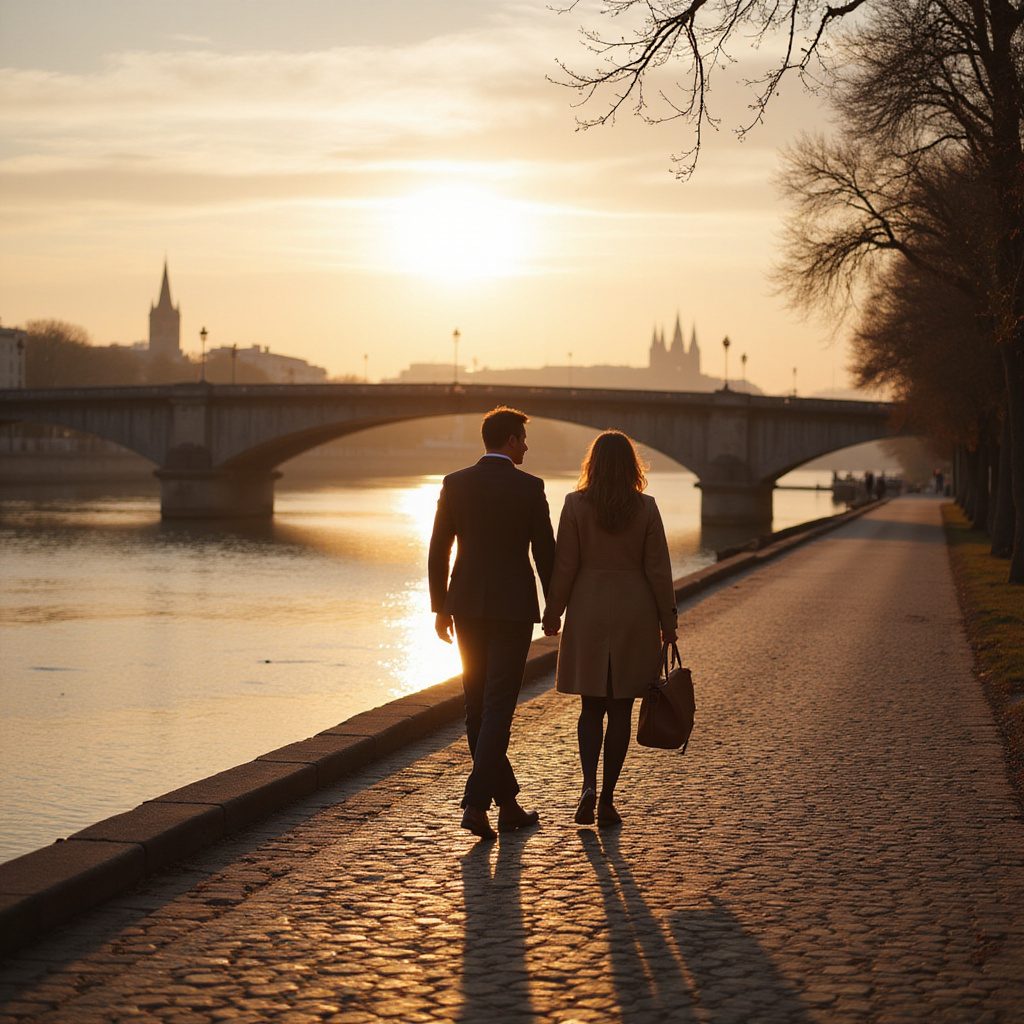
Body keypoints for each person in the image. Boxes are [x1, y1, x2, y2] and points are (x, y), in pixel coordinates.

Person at [429, 406, 556, 841]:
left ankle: (507, 807)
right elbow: (545, 554)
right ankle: (476, 803)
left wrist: (440, 607)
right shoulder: (530, 487)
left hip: (464, 604)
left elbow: (438, 551)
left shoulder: (455, 483)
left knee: (477, 706)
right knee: (499, 704)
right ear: (509, 441)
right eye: (522, 438)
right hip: (513, 608)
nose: (526, 446)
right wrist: (555, 608)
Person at [541, 431, 678, 827]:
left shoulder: (575, 505)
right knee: (620, 709)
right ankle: (607, 798)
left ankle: (586, 784)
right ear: (632, 466)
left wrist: (553, 613)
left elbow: (564, 566)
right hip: (634, 612)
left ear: (593, 464)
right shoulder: (647, 508)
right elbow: (659, 571)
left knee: (590, 707)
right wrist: (668, 624)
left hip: (588, 610)